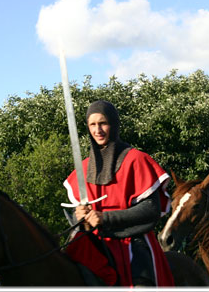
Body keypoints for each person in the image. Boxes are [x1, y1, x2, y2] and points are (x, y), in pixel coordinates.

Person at [63, 100, 174, 287]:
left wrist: (106, 218)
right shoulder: (82, 170)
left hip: (134, 244)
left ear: (113, 124)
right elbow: (76, 219)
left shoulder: (136, 160)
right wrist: (79, 217)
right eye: (92, 124)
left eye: (103, 123)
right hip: (96, 247)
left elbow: (151, 210)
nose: (98, 130)